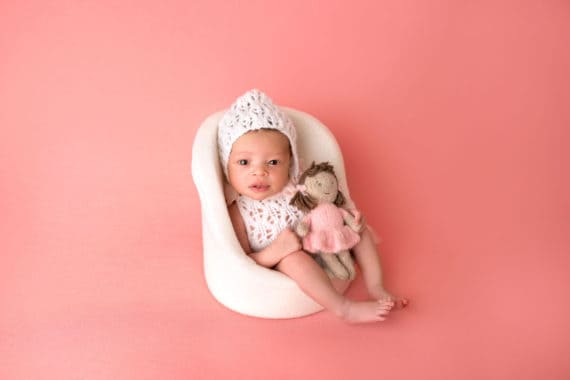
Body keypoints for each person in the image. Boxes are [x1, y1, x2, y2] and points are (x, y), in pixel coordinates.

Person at [218, 89, 407, 323]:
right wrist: (276, 252)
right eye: (244, 162)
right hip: (287, 260)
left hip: (324, 243)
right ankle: (344, 308)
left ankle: (376, 286)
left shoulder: (298, 185)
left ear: (291, 163)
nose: (260, 171)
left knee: (361, 229)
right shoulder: (238, 210)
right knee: (294, 260)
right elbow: (242, 261)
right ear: (228, 166)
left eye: (273, 162)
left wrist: (347, 218)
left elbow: (326, 205)